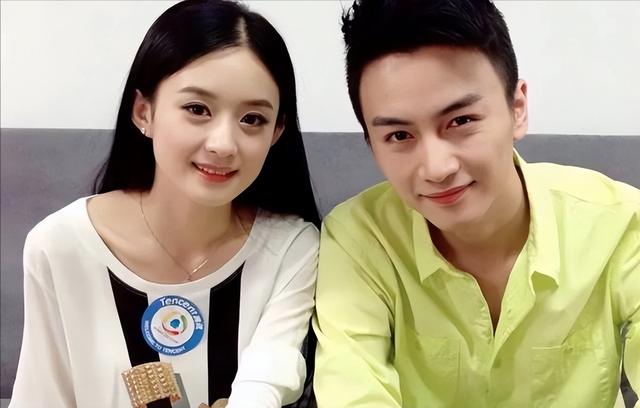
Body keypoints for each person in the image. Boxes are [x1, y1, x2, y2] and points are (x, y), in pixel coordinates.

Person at [313, 0, 639, 406]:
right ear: (370, 144)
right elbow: (352, 390)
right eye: (399, 136)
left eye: (461, 121)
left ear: (517, 108)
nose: (437, 168)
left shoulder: (621, 223)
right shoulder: (359, 239)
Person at [10, 1, 320, 407]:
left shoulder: (291, 248)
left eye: (252, 119)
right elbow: (42, 396)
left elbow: (270, 375)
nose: (223, 144)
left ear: (276, 132)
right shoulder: (61, 244)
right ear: (144, 112)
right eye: (197, 109)